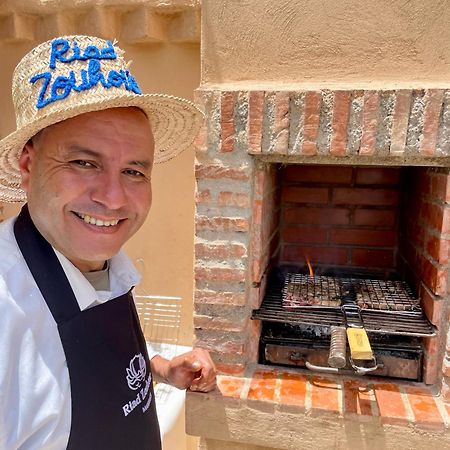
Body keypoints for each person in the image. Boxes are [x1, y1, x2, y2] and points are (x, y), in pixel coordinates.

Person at [0, 35, 216, 450]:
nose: (114, 198)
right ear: (29, 166)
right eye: (84, 163)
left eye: (134, 171)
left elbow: (80, 356)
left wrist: (160, 368)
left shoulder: (100, 265)